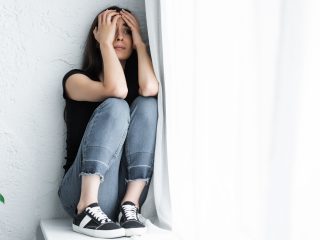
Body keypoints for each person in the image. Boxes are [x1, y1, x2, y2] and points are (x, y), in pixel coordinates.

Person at [58, 5, 159, 238]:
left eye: (127, 31)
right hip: (79, 193)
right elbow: (115, 90)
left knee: (147, 103)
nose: (120, 36)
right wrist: (105, 44)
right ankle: (86, 208)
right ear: (98, 35)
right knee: (116, 104)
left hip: (121, 196)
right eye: (112, 30)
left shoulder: (137, 83)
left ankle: (131, 205)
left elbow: (150, 88)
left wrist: (141, 45)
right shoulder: (75, 80)